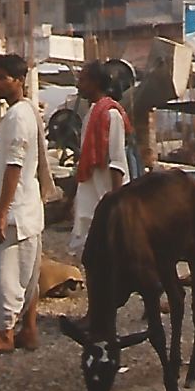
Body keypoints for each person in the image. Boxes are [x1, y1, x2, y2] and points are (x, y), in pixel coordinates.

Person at [0, 54, 44, 355]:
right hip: (27, 209)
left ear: (19, 81)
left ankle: (5, 334)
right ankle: (28, 330)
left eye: (3, 78)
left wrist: (0, 215)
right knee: (26, 275)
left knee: (5, 276)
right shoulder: (25, 112)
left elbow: (13, 166)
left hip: (14, 213)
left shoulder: (17, 117)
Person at [68, 61, 131, 258]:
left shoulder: (111, 115)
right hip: (90, 202)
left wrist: (116, 206)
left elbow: (117, 162)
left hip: (105, 203)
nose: (78, 85)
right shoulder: (91, 115)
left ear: (95, 82)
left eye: (82, 80)